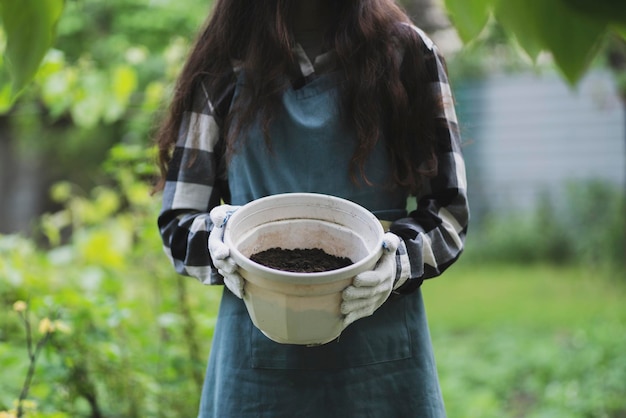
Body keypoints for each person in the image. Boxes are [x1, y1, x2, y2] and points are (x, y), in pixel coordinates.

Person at [155, 1, 469, 416]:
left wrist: (396, 264)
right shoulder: (226, 60)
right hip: (258, 367)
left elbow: (450, 212)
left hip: (381, 356)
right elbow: (178, 220)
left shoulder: (407, 53)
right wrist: (222, 241)